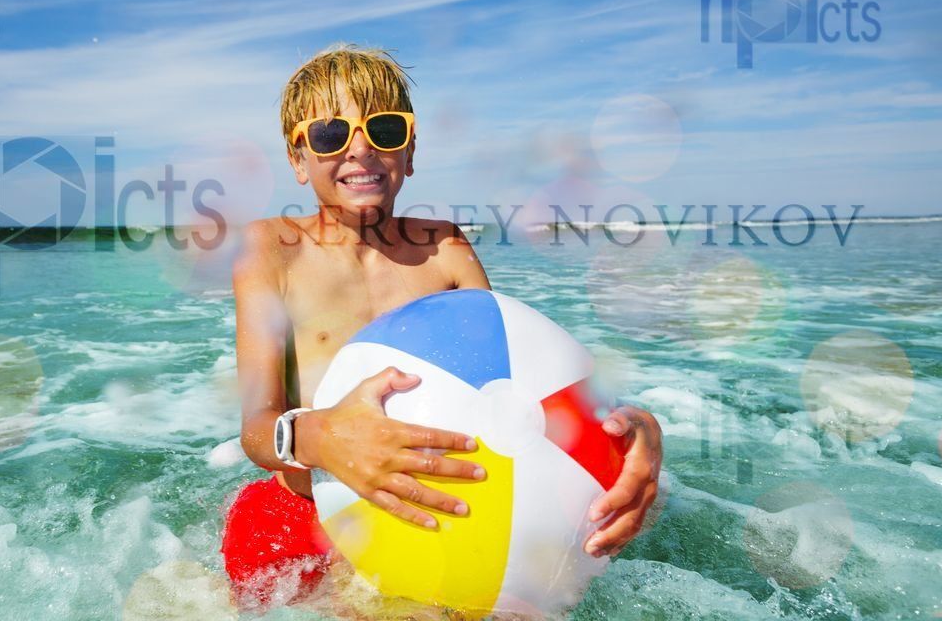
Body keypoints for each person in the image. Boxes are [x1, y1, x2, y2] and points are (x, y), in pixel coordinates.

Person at [222, 44, 663, 610]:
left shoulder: (445, 250)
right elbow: (258, 430)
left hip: (427, 507)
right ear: (298, 158)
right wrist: (323, 438)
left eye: (383, 129)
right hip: (304, 511)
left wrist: (635, 431)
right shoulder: (269, 251)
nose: (361, 150)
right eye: (332, 134)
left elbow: (512, 386)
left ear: (409, 151)